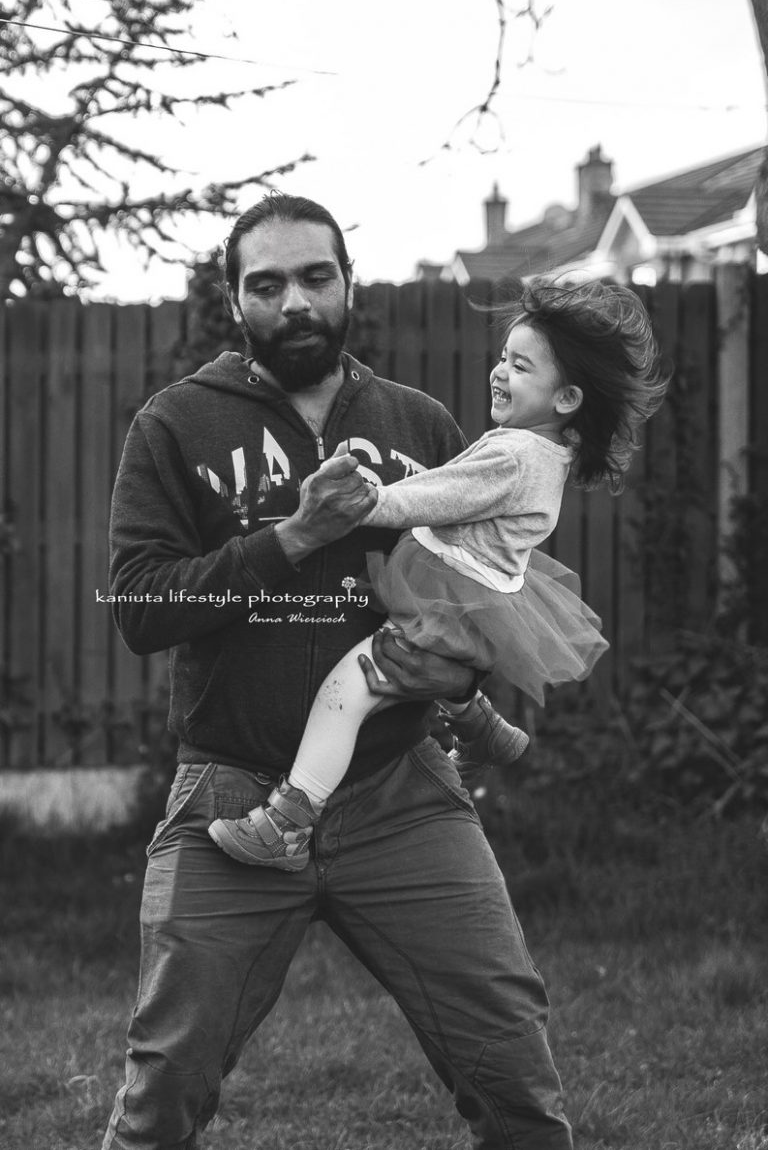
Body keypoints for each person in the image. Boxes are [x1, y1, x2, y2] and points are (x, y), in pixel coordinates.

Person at [104, 192, 578, 1150]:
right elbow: (143, 609)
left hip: (402, 794)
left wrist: (458, 681)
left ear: (349, 283)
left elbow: (475, 586)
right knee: (164, 1094)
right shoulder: (175, 423)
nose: (295, 302)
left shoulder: (419, 420)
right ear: (235, 301)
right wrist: (293, 537)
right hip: (231, 792)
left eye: (316, 277)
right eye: (267, 284)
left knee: (515, 1075)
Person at [208, 276, 664, 871]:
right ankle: (482, 728)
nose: (499, 372)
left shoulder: (515, 456)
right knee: (410, 673)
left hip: (448, 598)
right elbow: (455, 489)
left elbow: (438, 496)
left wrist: (365, 502)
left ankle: (287, 823)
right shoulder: (542, 450)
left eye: (520, 366)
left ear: (567, 399)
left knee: (347, 692)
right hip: (470, 594)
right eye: (503, 357)